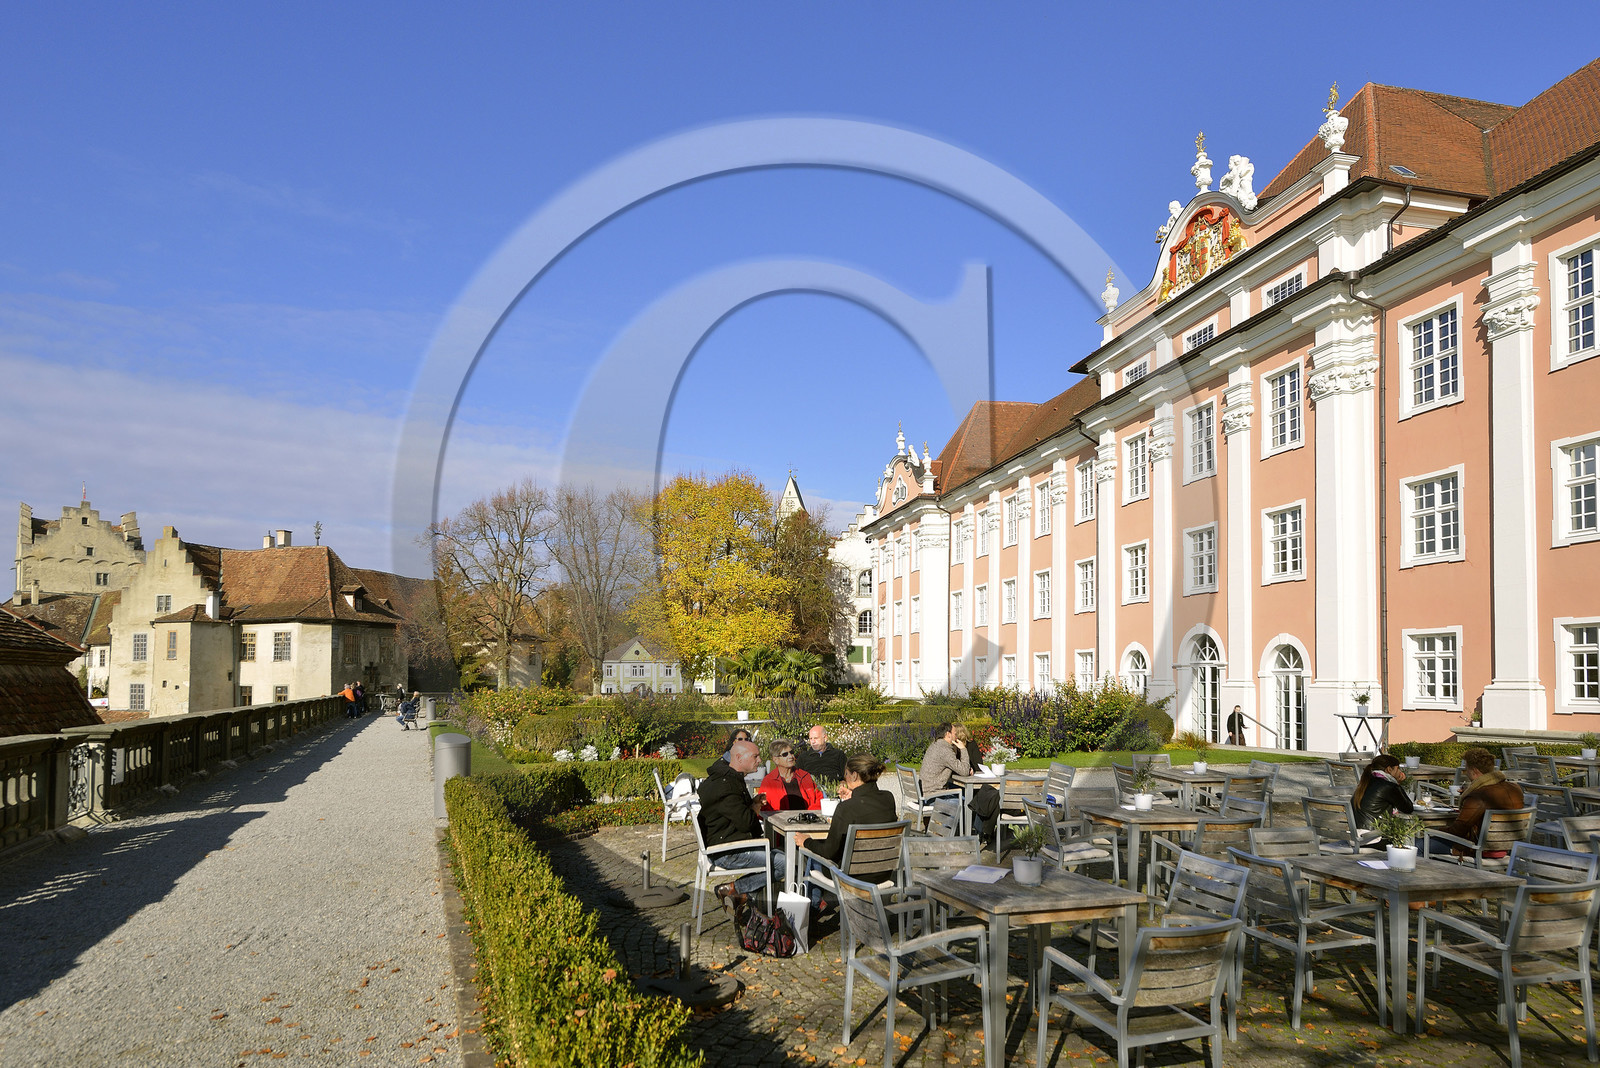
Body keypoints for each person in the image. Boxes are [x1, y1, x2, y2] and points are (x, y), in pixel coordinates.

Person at [802, 752, 898, 909]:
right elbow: (867, 808)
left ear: (854, 776)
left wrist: (806, 841)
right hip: (883, 872)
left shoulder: (846, 809)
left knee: (810, 853)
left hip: (853, 876)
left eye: (845, 774)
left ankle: (811, 909)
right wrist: (854, 797)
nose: (844, 778)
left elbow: (828, 852)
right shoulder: (888, 798)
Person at [700, 739, 787, 911]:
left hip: (729, 842)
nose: (760, 760)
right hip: (728, 851)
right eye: (755, 756)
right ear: (739, 758)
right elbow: (746, 822)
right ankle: (738, 890)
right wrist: (755, 806)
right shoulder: (726, 785)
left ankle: (740, 894)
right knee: (788, 863)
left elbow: (738, 815)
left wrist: (752, 804)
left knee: (787, 854)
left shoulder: (727, 779)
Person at [1429, 747, 1524, 856]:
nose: (1466, 773)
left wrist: (1434, 830)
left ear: (1474, 771)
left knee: (1418, 846)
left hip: (1477, 849)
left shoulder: (1478, 795)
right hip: (1508, 848)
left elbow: (1458, 831)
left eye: (1466, 769)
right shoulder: (1515, 789)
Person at [757, 740, 823, 812]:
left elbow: (819, 799)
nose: (791, 756)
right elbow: (763, 808)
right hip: (780, 821)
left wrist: (809, 815)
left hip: (807, 820)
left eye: (791, 752)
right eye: (785, 754)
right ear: (776, 760)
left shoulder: (804, 776)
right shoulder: (769, 781)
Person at [1352, 754, 1413, 830]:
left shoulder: (1366, 782)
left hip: (1358, 835)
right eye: (1398, 769)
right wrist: (1397, 785)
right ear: (1389, 769)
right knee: (1425, 841)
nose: (1400, 772)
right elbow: (1408, 808)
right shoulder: (1388, 786)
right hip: (1375, 837)